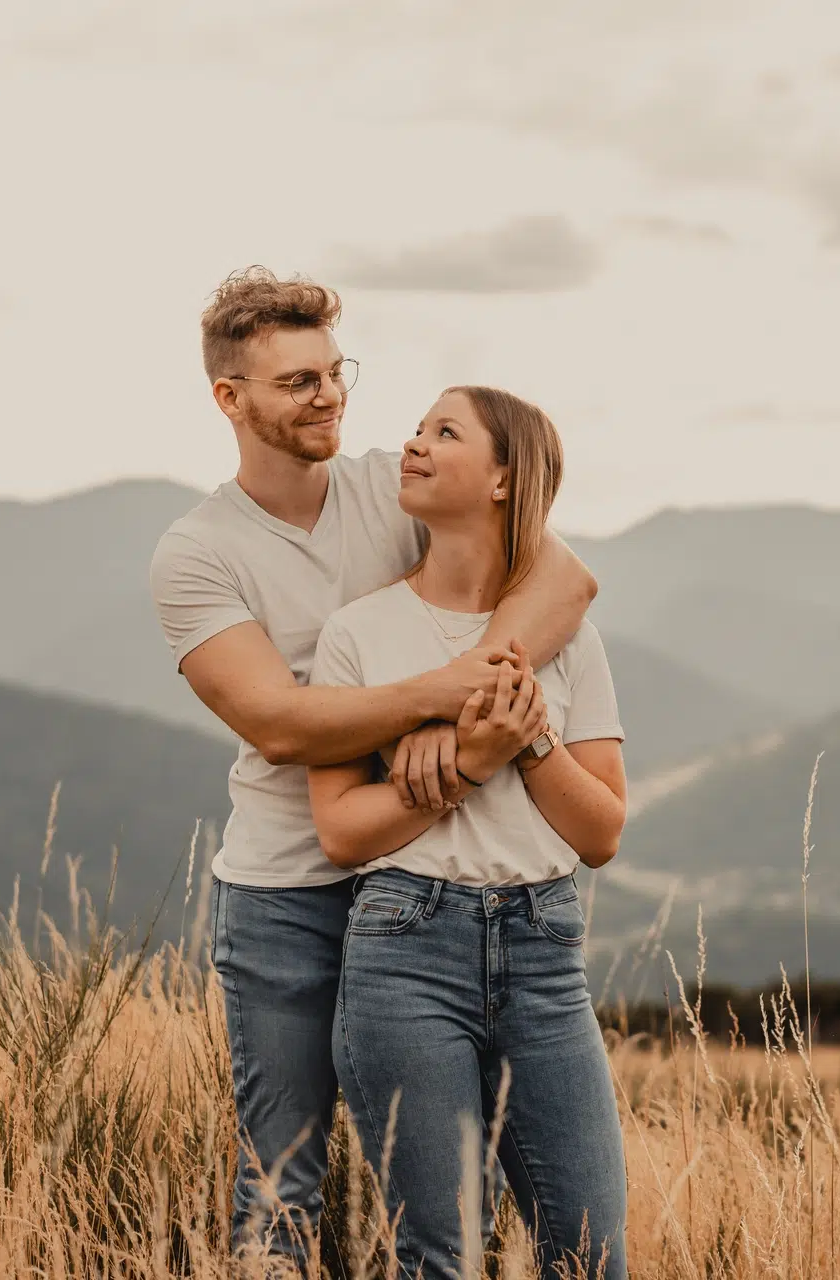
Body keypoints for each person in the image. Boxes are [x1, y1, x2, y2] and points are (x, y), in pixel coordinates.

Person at [148, 268, 597, 1265]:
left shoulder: (391, 492)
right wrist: (446, 701)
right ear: (232, 399)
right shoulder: (197, 552)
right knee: (285, 1179)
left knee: (452, 1196)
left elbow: (563, 576)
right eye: (296, 380)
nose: (329, 395)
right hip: (288, 898)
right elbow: (277, 721)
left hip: (422, 890)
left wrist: (478, 702)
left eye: (334, 370)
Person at [307, 385, 628, 1280]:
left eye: (443, 432)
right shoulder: (357, 635)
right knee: (439, 1257)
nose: (411, 443)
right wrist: (466, 767)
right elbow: (340, 832)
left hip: (545, 949)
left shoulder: (571, 641)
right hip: (404, 949)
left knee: (592, 1256)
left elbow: (600, 831)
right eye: (416, 428)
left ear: (501, 479)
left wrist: (525, 740)